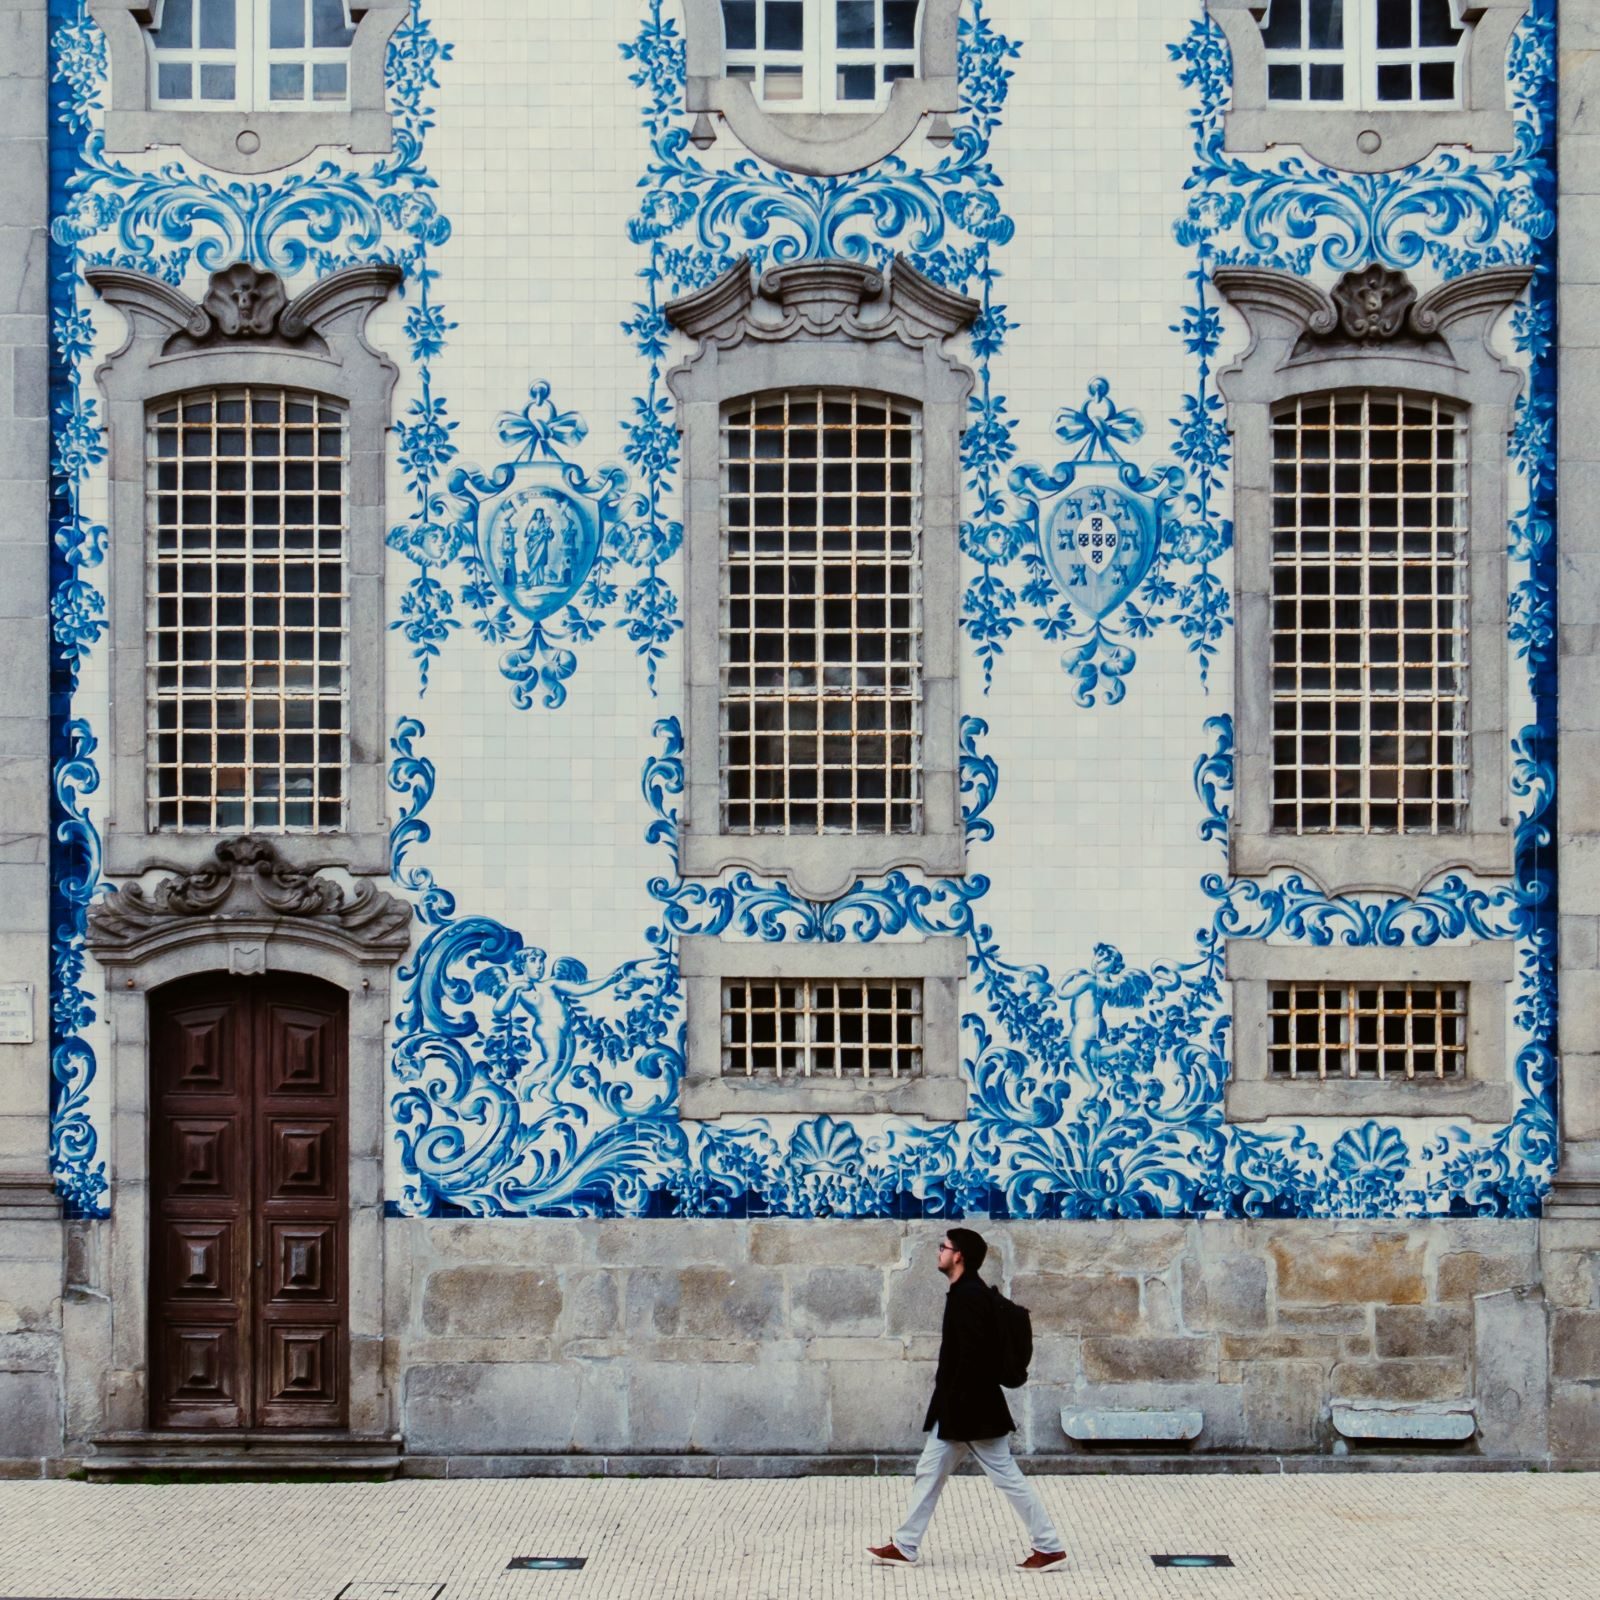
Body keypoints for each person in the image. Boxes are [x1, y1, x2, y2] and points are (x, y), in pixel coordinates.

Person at [868, 1227, 1068, 1572]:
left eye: (943, 1247)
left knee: (1006, 1477)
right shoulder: (965, 1292)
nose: (938, 1252)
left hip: (970, 1412)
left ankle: (1049, 1546)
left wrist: (955, 1405)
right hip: (962, 1409)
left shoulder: (968, 1297)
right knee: (929, 1473)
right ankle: (905, 1544)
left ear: (958, 1255)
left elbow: (973, 1357)